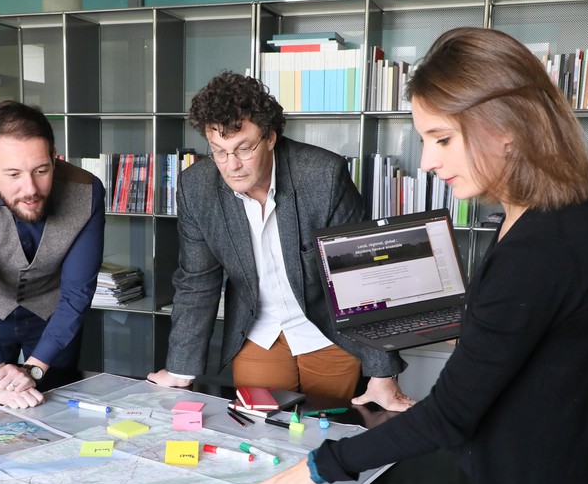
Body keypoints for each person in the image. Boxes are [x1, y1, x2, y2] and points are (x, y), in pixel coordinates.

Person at [239, 27, 588, 484]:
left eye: (442, 138)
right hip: (571, 471)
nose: (426, 161)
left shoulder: (543, 244)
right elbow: (539, 333)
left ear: (506, 126)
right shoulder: (570, 205)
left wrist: (319, 467)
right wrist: (469, 323)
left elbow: (452, 413)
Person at [146, 71, 414, 411]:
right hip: (258, 330)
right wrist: (181, 368)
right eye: (219, 151)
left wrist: (382, 373)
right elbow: (197, 280)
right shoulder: (195, 187)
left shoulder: (323, 176)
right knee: (261, 435)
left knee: (327, 431)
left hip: (327, 329)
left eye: (244, 148)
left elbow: (361, 277)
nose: (232, 166)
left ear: (270, 137)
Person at [0, 100, 105, 410]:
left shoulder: (88, 191)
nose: (29, 188)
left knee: (55, 407)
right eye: (13, 174)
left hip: (54, 317)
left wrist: (36, 366)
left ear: (54, 159)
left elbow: (77, 292)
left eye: (41, 170)